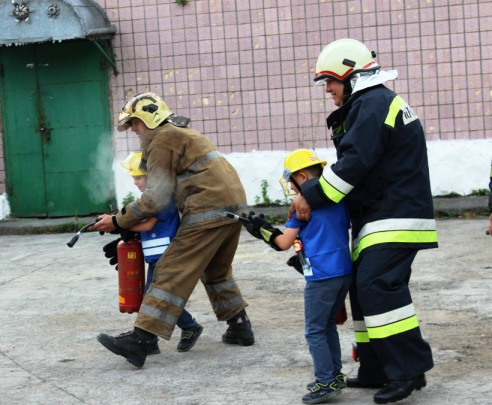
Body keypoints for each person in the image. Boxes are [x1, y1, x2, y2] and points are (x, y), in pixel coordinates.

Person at [289, 38, 437, 404]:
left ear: (350, 75)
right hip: (384, 212)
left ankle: (407, 371)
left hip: (395, 214)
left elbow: (354, 164)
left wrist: (310, 195)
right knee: (362, 288)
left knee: (377, 286)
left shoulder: (371, 105)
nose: (327, 90)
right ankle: (375, 368)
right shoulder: (373, 103)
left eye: (330, 81)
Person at [90, 92, 254, 368]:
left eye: (134, 124)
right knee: (216, 270)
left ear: (147, 119)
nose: (133, 131)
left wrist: (118, 221)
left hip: (207, 207)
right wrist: (128, 227)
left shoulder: (162, 138)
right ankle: (239, 326)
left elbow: (156, 198)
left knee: (170, 270)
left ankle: (141, 340)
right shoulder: (180, 132)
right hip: (233, 206)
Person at [243, 149, 352, 404]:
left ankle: (325, 381)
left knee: (314, 331)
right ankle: (334, 374)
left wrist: (262, 230)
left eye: (292, 179)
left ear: (301, 177)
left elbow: (283, 243)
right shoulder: (338, 200)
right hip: (343, 272)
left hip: (322, 278)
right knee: (327, 326)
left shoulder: (302, 207)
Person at [116, 152, 203, 352]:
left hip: (166, 255)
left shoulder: (162, 198)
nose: (135, 182)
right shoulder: (150, 198)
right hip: (155, 256)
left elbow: (148, 225)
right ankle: (151, 340)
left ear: (151, 176)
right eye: (133, 178)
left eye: (138, 177)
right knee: (154, 297)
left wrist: (123, 227)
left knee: (155, 297)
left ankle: (189, 327)